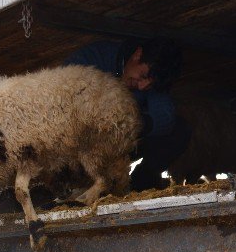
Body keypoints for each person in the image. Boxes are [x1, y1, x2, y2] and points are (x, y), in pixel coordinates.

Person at [64, 38, 189, 191]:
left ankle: (139, 183)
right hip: (84, 142)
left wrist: (135, 123)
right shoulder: (94, 57)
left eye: (150, 84)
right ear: (137, 55)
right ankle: (70, 187)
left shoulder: (150, 83)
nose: (143, 86)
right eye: (143, 76)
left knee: (180, 131)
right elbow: (64, 93)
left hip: (121, 144)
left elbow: (165, 115)